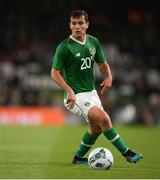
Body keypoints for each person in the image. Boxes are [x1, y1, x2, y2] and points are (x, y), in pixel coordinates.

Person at [51, 10, 143, 164]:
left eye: (80, 23)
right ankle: (127, 154)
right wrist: (69, 91)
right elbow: (54, 74)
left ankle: (78, 158)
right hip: (75, 97)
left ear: (87, 24)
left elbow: (102, 64)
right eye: (74, 23)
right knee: (104, 119)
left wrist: (108, 76)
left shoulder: (93, 42)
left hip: (91, 93)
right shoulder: (64, 47)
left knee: (97, 129)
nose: (77, 26)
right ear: (70, 25)